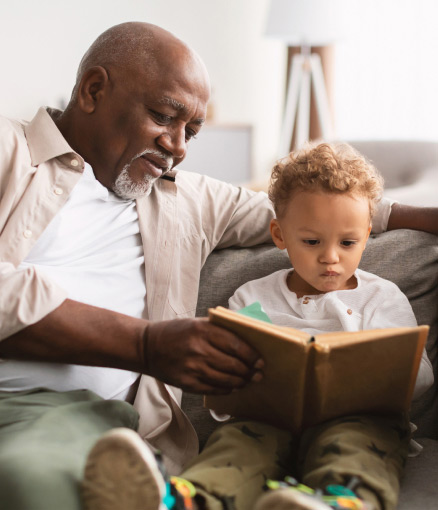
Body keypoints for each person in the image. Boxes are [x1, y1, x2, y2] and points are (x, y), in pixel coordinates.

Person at [0, 21, 436, 510]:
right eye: (164, 116)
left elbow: (316, 211)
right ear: (94, 90)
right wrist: (145, 343)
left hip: (83, 420)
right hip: (16, 404)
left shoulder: (188, 197)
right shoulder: (9, 151)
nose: (178, 146)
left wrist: (424, 216)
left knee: (43, 480)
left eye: (191, 130)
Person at [224, 142, 434, 510]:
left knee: (358, 448)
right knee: (237, 447)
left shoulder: (380, 297)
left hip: (359, 421)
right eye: (311, 241)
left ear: (367, 236)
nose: (330, 257)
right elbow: (230, 378)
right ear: (279, 235)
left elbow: (421, 376)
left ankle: (341, 504)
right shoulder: (251, 299)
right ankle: (187, 498)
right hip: (271, 422)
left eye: (348, 242)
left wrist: (374, 371)